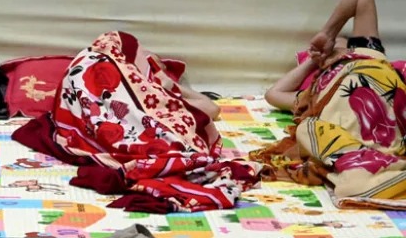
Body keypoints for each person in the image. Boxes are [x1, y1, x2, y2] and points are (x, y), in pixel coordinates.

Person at [13, 31, 259, 213]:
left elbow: (211, 109)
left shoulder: (139, 91)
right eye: (146, 60)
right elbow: (211, 109)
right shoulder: (139, 88)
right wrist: (168, 86)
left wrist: (166, 85)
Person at [253, 0, 406, 207]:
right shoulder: (312, 95)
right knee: (308, 128)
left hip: (383, 96)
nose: (334, 53)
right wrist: (313, 62)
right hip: (348, 126)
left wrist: (328, 34)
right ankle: (372, 172)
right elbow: (273, 94)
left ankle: (375, 173)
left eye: (339, 48)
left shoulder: (368, 53)